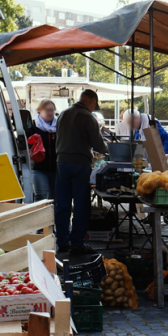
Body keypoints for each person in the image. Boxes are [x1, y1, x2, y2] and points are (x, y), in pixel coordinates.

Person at [55, 89, 107, 255]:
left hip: (61, 162)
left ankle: (62, 242)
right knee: (81, 204)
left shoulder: (63, 114)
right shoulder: (87, 117)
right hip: (80, 164)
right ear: (91, 100)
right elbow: (99, 145)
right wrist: (108, 148)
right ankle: (77, 243)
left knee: (62, 204)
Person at [26, 99, 58, 201]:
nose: (50, 113)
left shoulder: (59, 126)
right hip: (39, 168)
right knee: (41, 197)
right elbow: (26, 143)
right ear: (39, 110)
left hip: (56, 169)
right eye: (47, 110)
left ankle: (53, 213)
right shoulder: (33, 126)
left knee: (55, 198)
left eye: (52, 110)